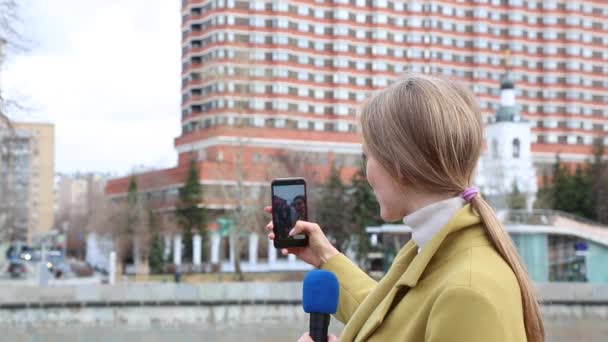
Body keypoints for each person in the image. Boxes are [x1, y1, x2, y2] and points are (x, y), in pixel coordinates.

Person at [264, 73, 544, 342]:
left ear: (398, 165)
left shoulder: (467, 294)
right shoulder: (432, 249)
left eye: (367, 156)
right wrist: (326, 257)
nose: (367, 172)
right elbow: (396, 322)